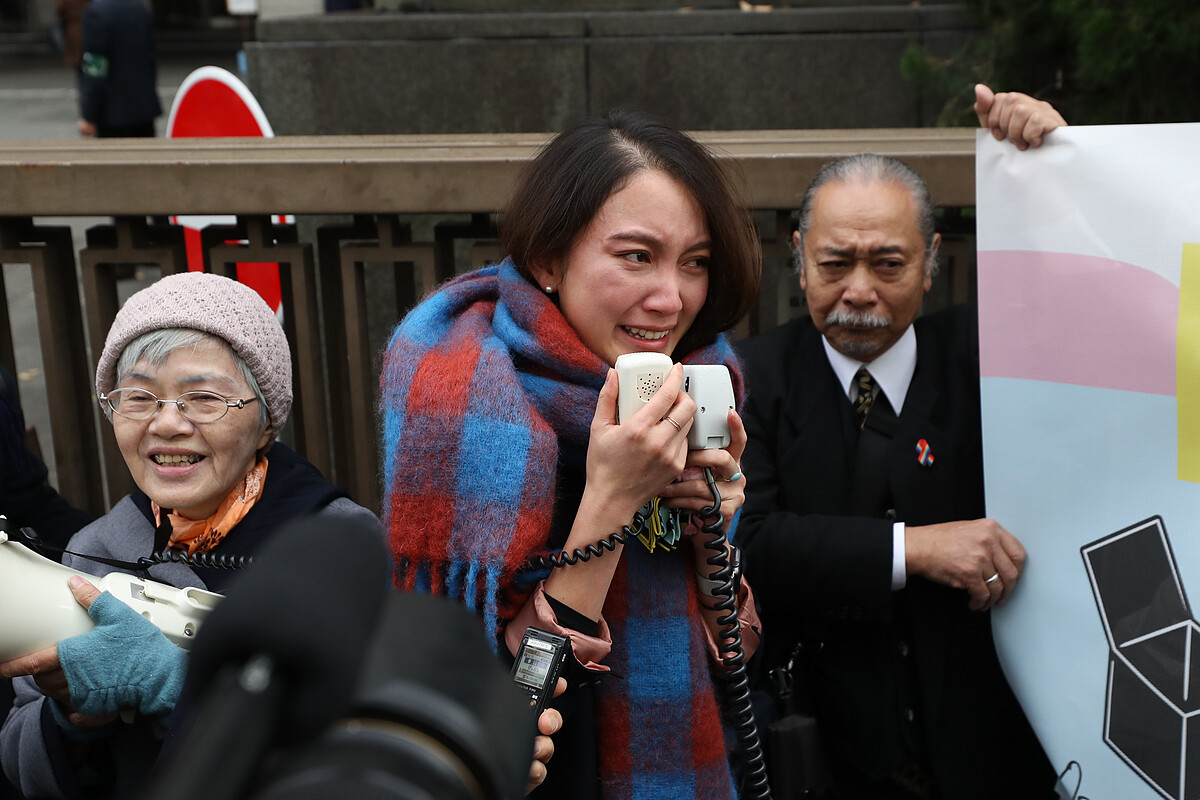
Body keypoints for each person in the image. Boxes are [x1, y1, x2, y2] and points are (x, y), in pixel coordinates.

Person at [380, 109, 763, 799]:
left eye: (695, 263)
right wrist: (612, 501)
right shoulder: (465, 395)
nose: (671, 299)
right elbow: (493, 680)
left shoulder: (702, 386)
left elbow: (734, 650)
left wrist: (713, 524)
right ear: (549, 259)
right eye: (636, 256)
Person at [735, 85, 1067, 800]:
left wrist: (1059, 167)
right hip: (821, 746)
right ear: (798, 257)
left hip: (989, 744)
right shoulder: (748, 378)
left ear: (932, 259)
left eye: (888, 264)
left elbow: (1090, 304)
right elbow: (752, 541)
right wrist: (918, 548)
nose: (859, 290)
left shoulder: (992, 357)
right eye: (834, 263)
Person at [0, 272, 378, 799]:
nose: (167, 424)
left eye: (202, 398)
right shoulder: (91, 552)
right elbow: (19, 756)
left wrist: (175, 682)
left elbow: (374, 748)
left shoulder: (339, 544)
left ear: (267, 421)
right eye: (138, 397)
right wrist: (70, 716)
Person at [76, 0, 160, 138]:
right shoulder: (140, 8)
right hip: (144, 109)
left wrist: (89, 114)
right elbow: (150, 59)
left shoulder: (96, 11)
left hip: (112, 113)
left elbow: (96, 67)